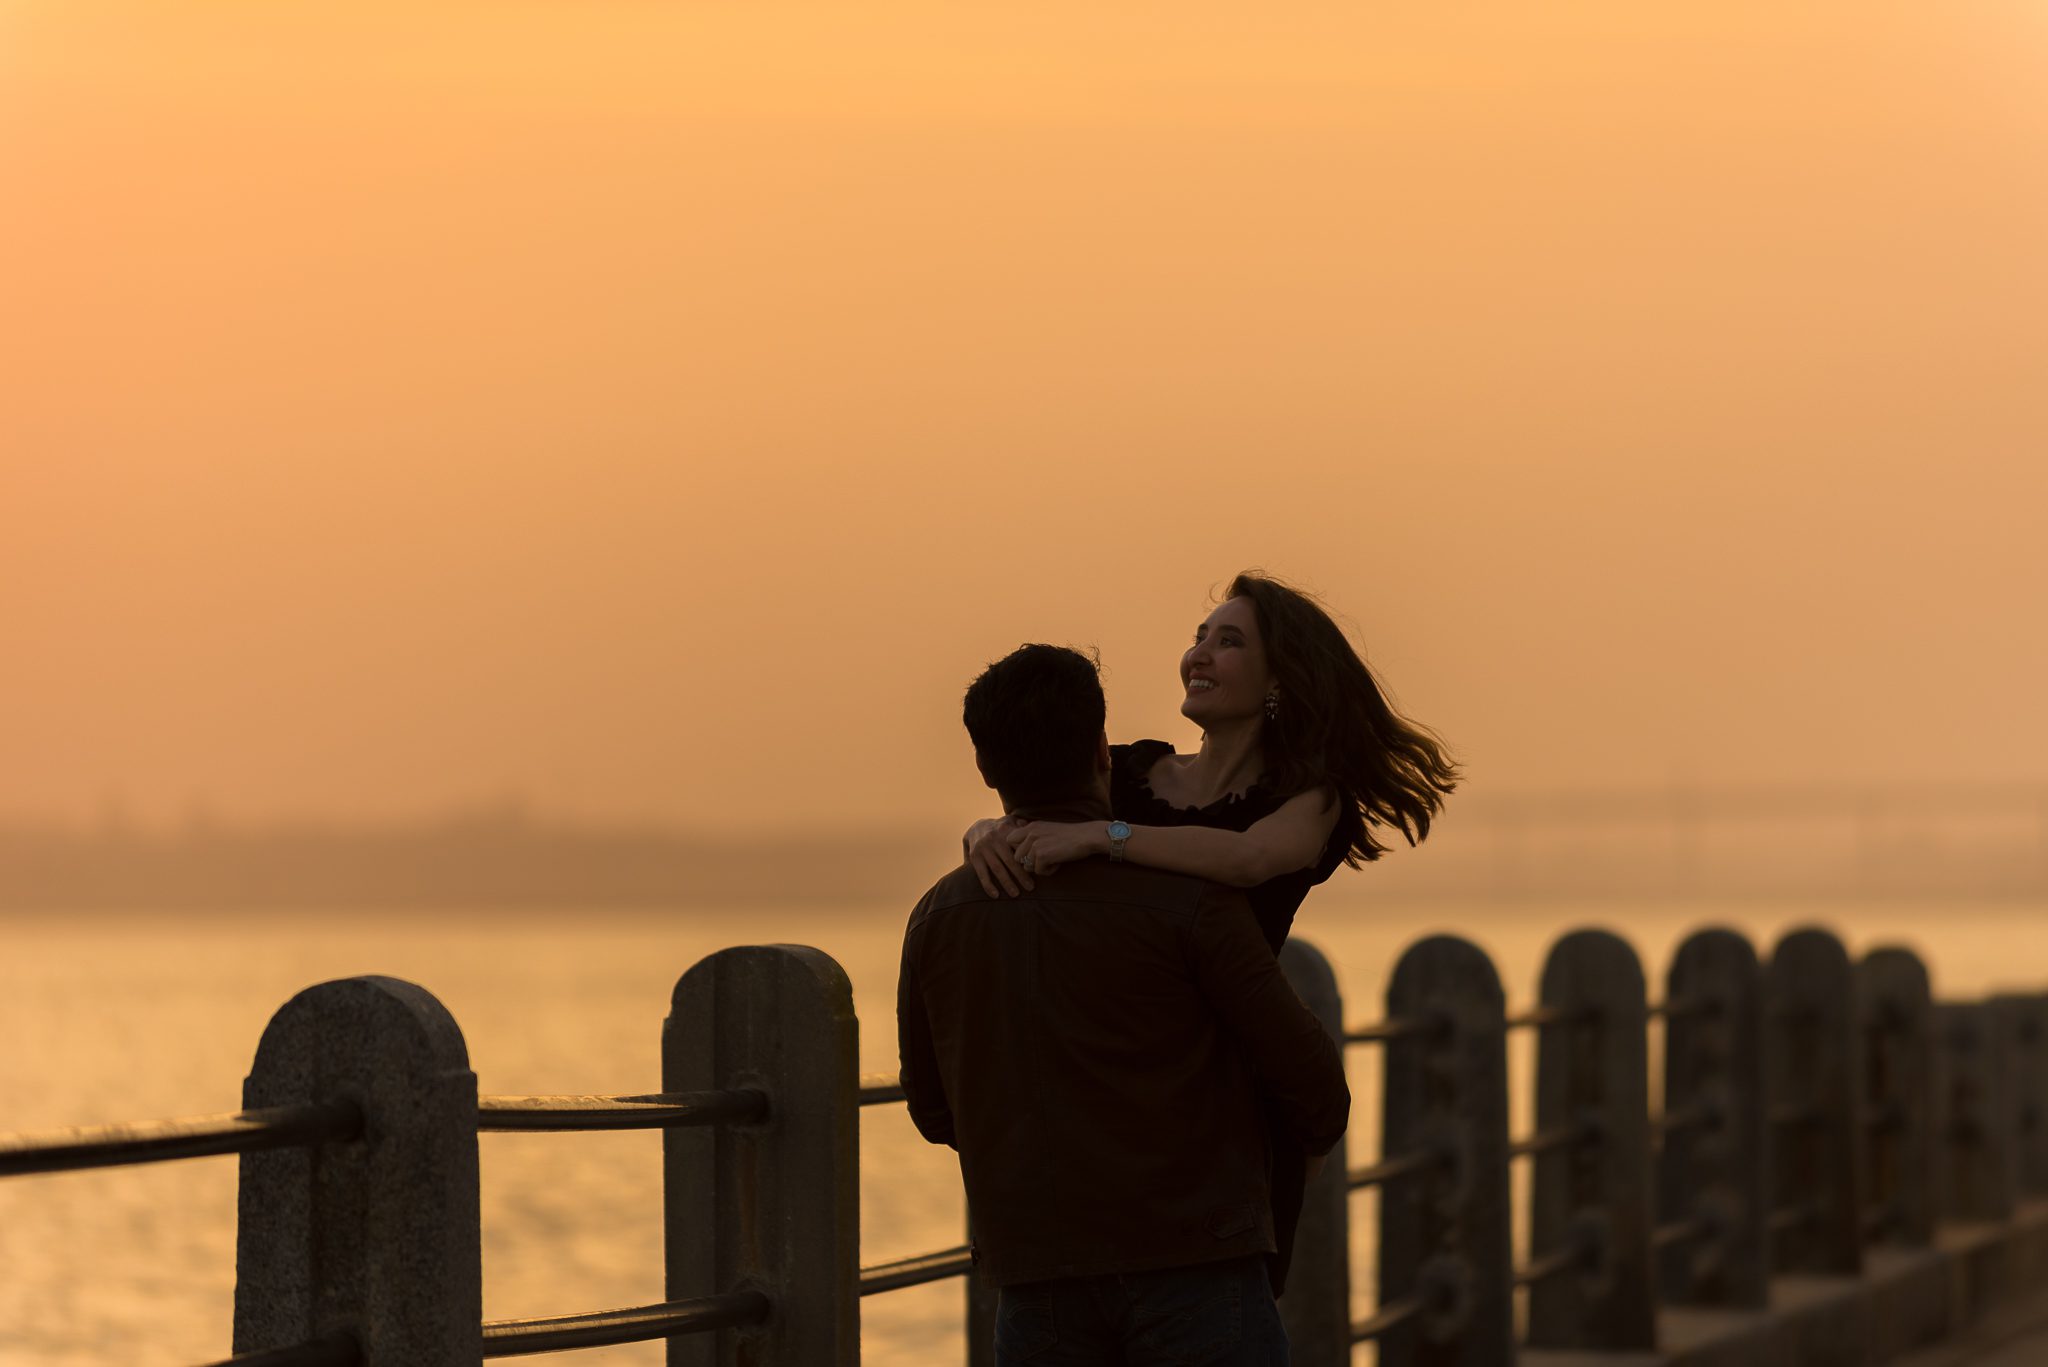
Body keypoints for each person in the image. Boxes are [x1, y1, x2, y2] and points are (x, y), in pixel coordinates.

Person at [962, 572, 1457, 1293]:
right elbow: (1043, 816)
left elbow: (1248, 859)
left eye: (1229, 642)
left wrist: (1110, 836)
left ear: (1277, 678)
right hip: (1124, 1080)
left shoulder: (1306, 799)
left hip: (1236, 1100)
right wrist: (986, 832)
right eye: (1199, 637)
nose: (1200, 653)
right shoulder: (1132, 770)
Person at [898, 643, 1351, 1367]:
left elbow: (933, 1108)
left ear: (986, 769)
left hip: (1036, 1273)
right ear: (1104, 753)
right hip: (1199, 1268)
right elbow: (1315, 1083)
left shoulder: (938, 918)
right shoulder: (1192, 899)